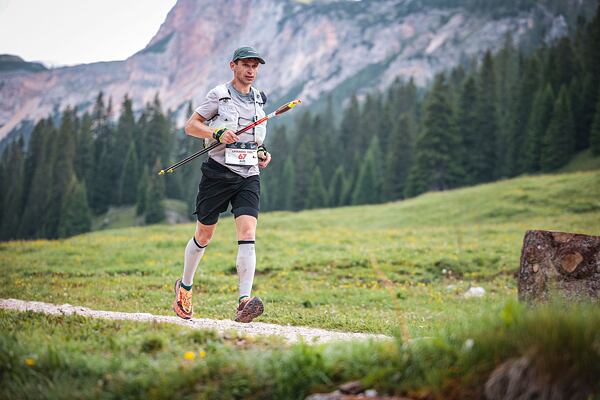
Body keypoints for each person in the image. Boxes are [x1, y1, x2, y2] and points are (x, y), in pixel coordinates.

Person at [173, 46, 272, 323]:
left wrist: (262, 153)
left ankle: (244, 301)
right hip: (218, 173)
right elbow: (191, 126)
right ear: (233, 66)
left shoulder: (259, 101)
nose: (251, 71)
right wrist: (215, 131)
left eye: (255, 66)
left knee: (248, 231)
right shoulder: (219, 95)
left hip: (248, 174)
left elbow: (255, 140)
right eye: (246, 65)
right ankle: (185, 287)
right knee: (204, 235)